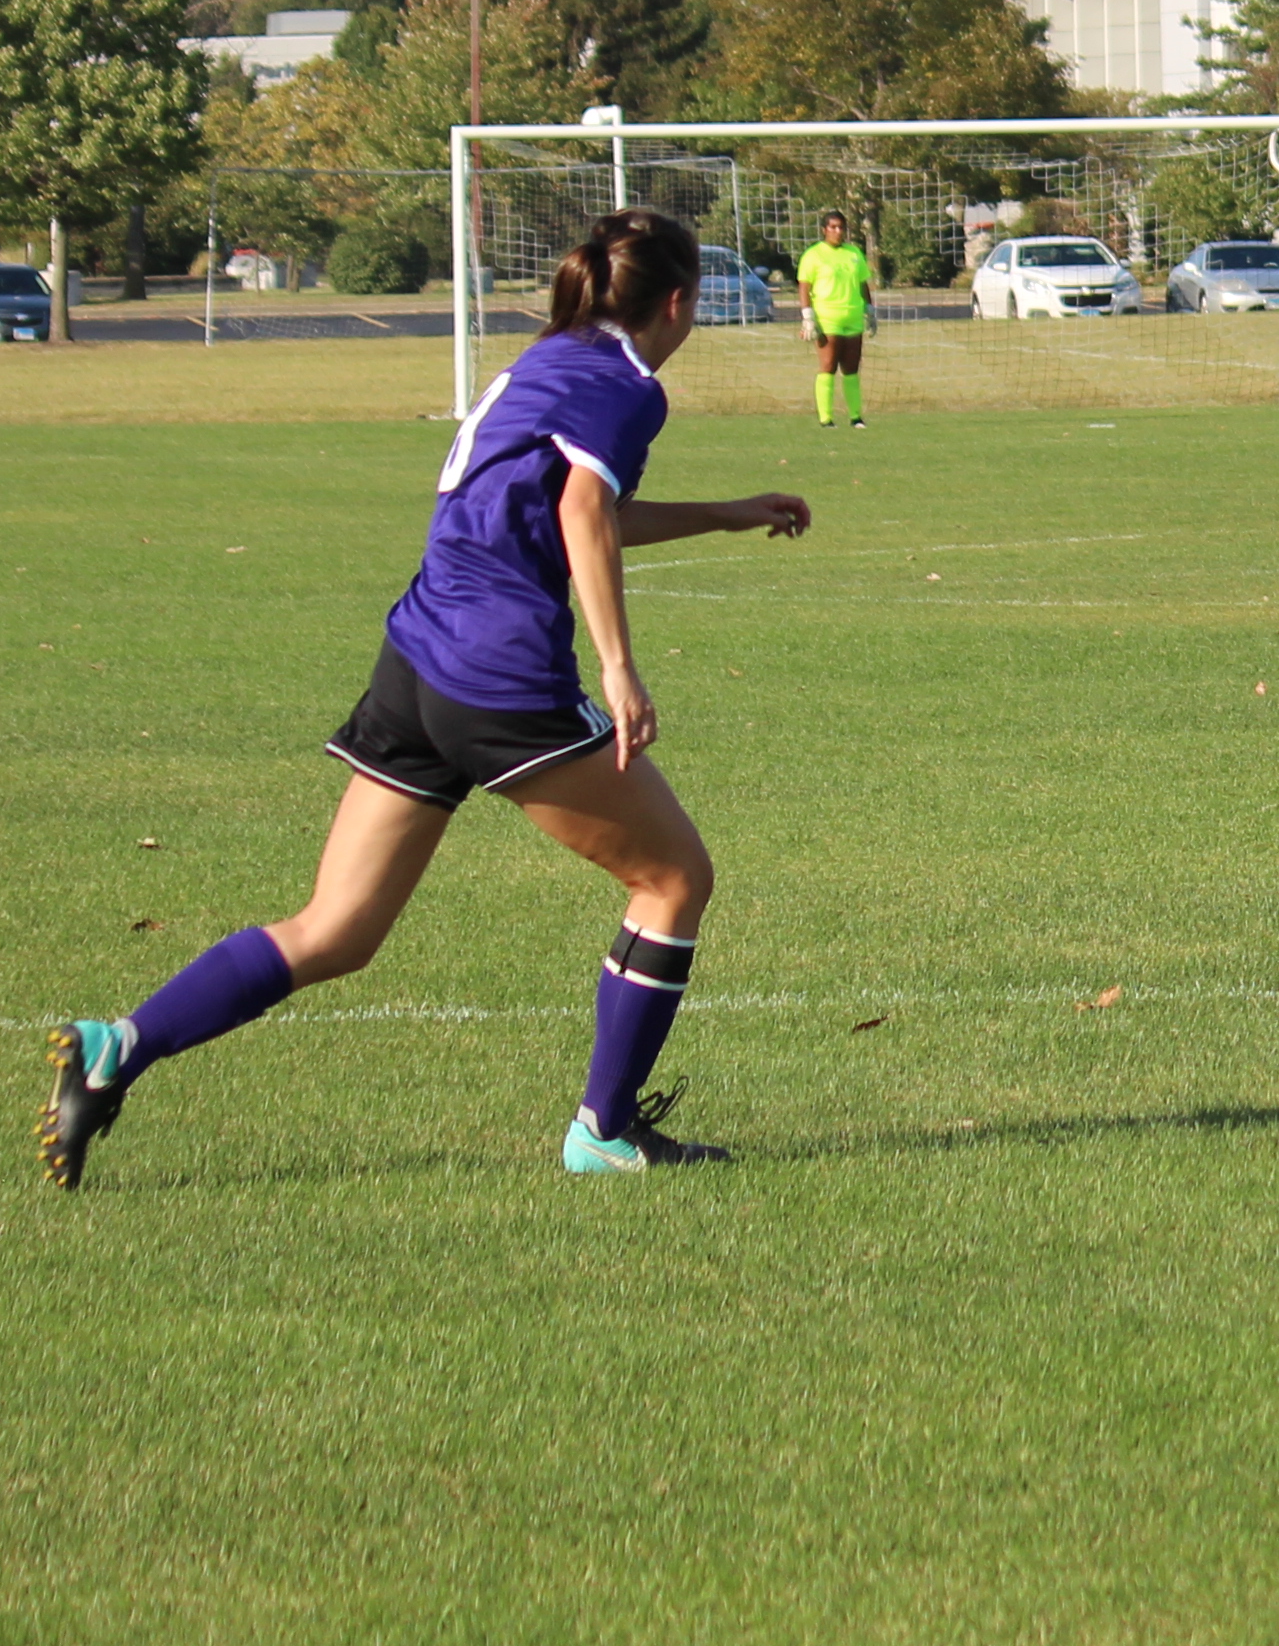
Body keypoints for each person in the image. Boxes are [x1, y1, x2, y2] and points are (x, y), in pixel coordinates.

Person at [41, 207, 813, 1187]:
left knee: (337, 930)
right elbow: (582, 511)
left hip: (417, 662)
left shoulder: (545, 362)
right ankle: (603, 1133)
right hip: (499, 675)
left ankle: (120, 1047)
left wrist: (728, 513)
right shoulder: (627, 383)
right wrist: (618, 666)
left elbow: (580, 510)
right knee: (672, 881)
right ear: (677, 302)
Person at [795, 211, 874, 431]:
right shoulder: (813, 255)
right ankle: (826, 418)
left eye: (841, 227)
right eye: (833, 227)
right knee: (828, 366)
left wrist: (870, 309)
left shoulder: (854, 253)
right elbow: (804, 286)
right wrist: (807, 316)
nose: (838, 231)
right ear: (824, 229)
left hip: (853, 317)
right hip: (827, 318)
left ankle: (856, 417)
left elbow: (862, 284)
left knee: (851, 368)